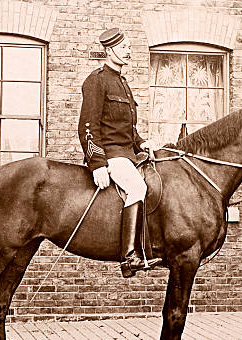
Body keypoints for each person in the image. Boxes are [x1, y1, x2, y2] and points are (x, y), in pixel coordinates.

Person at [78, 27, 162, 278]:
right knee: (137, 188)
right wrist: (97, 163)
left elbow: (126, 127)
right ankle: (129, 257)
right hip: (112, 155)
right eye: (124, 47)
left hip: (128, 153)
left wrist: (141, 142)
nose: (128, 51)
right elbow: (88, 125)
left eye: (128, 46)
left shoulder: (122, 83)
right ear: (109, 50)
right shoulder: (97, 80)